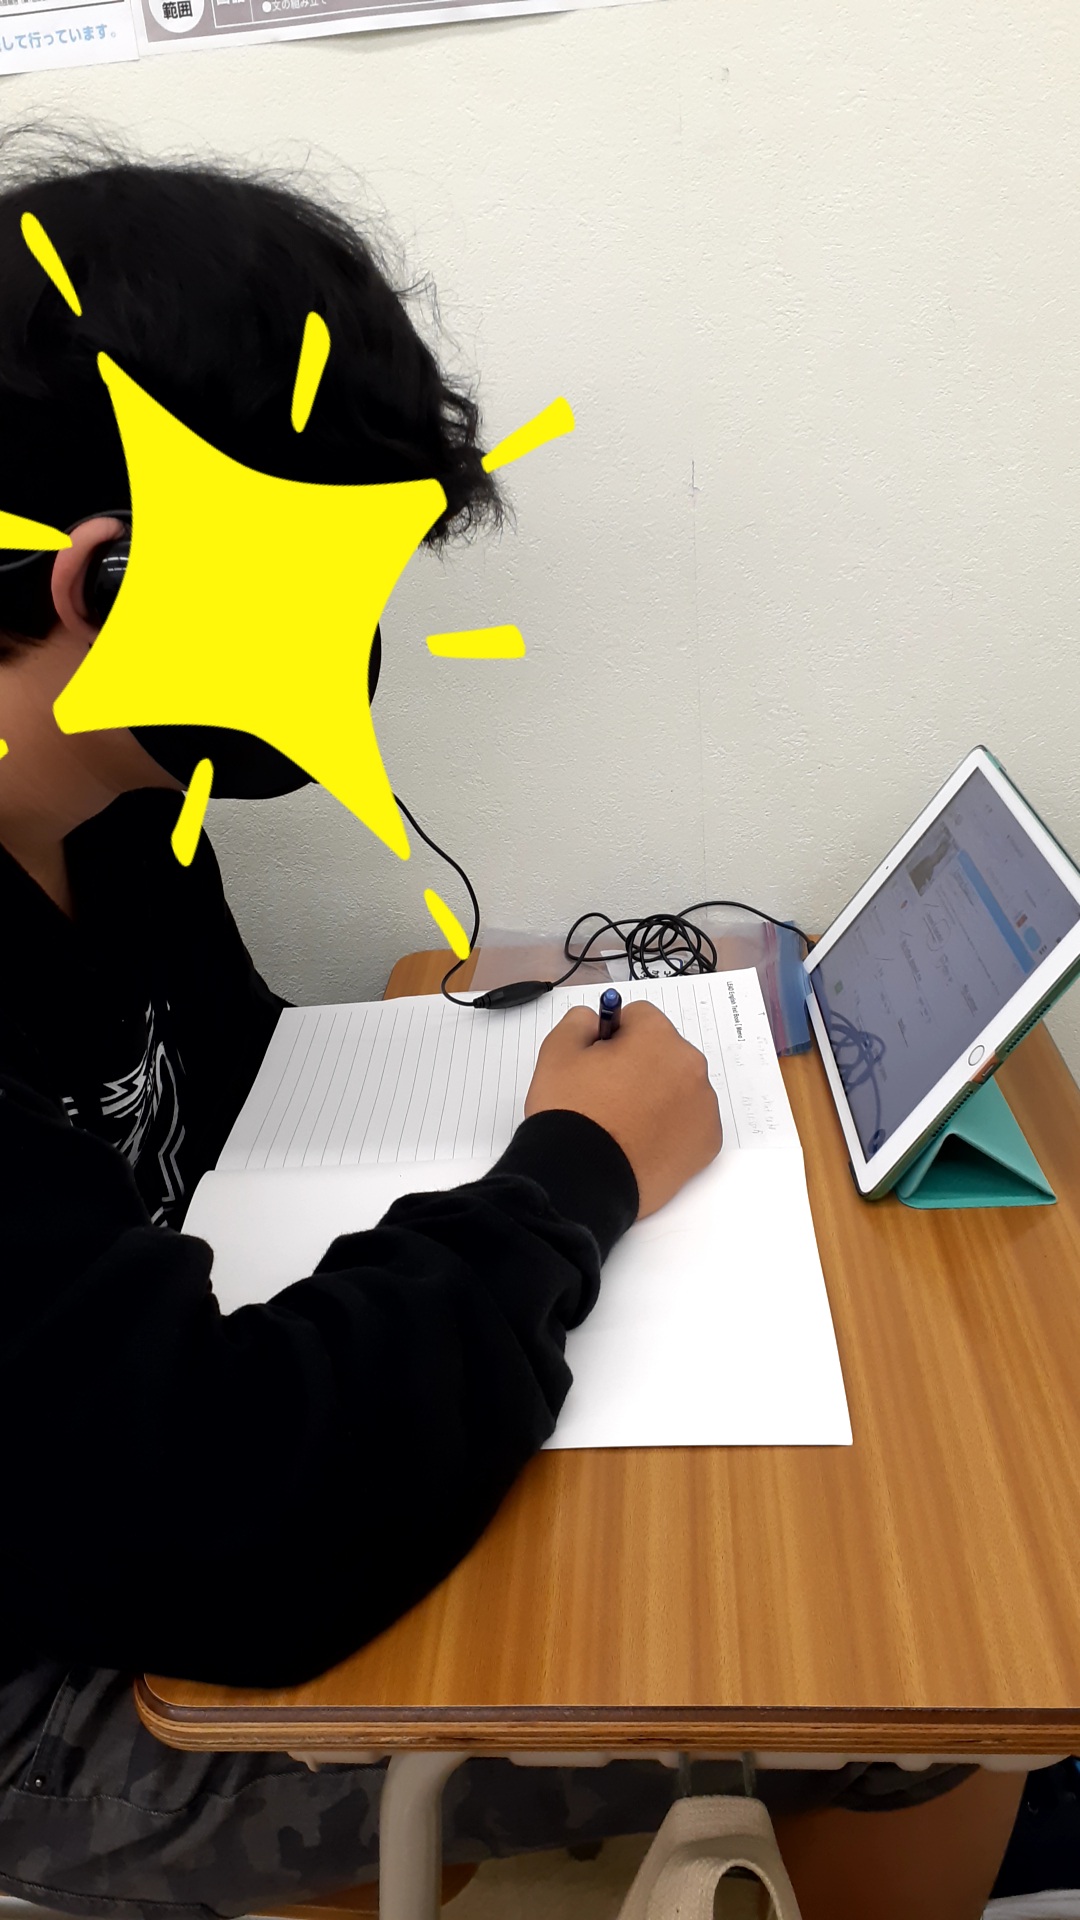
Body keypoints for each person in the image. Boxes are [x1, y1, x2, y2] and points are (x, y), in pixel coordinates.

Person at [0, 131, 1022, 1920]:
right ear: (109, 584)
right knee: (924, 1686)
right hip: (60, 1666)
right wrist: (569, 1179)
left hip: (145, 1462)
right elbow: (223, 1534)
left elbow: (230, 1112)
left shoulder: (108, 818)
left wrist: (481, 1063)